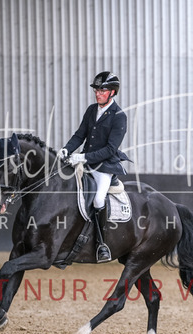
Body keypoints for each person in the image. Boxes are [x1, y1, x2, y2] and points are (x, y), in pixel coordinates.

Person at [58, 71, 129, 263]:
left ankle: (101, 243)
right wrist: (66, 149)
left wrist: (83, 157)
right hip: (85, 162)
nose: (98, 94)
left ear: (112, 92)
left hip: (104, 166)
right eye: (96, 90)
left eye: (102, 91)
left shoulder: (119, 116)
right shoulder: (91, 110)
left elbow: (110, 149)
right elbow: (79, 135)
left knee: (98, 199)